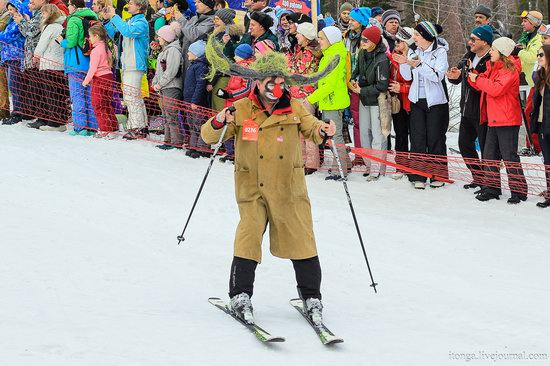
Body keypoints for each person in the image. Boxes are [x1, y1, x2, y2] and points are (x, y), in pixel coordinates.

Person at [201, 40, 339, 326]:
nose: (274, 87)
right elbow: (208, 137)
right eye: (269, 81)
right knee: (248, 237)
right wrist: (219, 120)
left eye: (279, 81)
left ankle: (311, 296)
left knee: (302, 239)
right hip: (252, 187)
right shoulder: (241, 107)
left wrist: (324, 131)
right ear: (259, 81)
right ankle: (240, 295)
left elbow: (313, 129)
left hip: (289, 188)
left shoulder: (295, 108)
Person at [468, 37, 528, 204]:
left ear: (502, 52)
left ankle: (519, 191)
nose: (491, 52)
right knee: (489, 155)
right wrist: (470, 76)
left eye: (493, 49)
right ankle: (492, 188)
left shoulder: (510, 70)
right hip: (493, 118)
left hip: (507, 119)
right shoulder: (493, 66)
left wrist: (477, 79)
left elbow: (495, 89)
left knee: (509, 156)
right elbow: (482, 84)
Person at [396, 21, 449, 190]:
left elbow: (436, 76)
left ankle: (437, 175)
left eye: (417, 35)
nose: (414, 38)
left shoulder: (440, 52)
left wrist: (417, 64)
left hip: (436, 102)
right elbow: (407, 77)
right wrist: (404, 62)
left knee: (435, 138)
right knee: (417, 137)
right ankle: (418, 174)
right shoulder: (414, 50)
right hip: (417, 100)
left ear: (426, 36)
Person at [446, 25, 493, 190]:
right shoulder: (470, 55)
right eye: (470, 38)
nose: (470, 42)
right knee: (464, 145)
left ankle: (490, 183)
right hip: (466, 110)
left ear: (485, 42)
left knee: (487, 151)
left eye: (474, 39)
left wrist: (467, 74)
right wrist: (454, 75)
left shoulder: (490, 60)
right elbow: (459, 76)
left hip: (482, 111)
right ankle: (478, 176)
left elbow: (480, 85)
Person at [305, 26, 351, 180]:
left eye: (322, 38)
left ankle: (340, 170)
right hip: (328, 101)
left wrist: (312, 99)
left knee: (335, 135)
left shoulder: (335, 56)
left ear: (331, 40)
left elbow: (330, 84)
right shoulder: (329, 54)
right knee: (334, 135)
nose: (319, 40)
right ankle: (343, 165)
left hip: (333, 101)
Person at [104, 0, 150, 140]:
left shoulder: (141, 22)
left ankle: (136, 127)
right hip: (127, 64)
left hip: (135, 64)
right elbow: (117, 35)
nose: (128, 5)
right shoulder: (129, 21)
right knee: (134, 97)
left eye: (131, 3)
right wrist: (107, 21)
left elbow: (128, 32)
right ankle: (141, 126)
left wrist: (114, 16)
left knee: (131, 98)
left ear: (139, 6)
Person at [350, 26, 390, 181]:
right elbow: (357, 70)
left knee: (378, 135)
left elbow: (382, 86)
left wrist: (362, 91)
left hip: (378, 101)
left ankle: (377, 169)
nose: (363, 42)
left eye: (366, 40)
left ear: (374, 41)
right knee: (364, 134)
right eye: (362, 39)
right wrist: (353, 79)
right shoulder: (362, 53)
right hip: (364, 99)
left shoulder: (382, 59)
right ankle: (369, 164)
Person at [57, 0, 99, 136]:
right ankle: (92, 126)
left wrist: (60, 41)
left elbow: (71, 41)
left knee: (77, 95)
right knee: (89, 95)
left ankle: (80, 127)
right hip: (90, 61)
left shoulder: (74, 19)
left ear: (74, 6)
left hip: (75, 62)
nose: (68, 6)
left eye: (69, 4)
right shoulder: (92, 17)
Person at [288, 22, 321, 174]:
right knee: (298, 129)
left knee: (307, 129)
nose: (296, 37)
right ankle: (301, 159)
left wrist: (288, 59)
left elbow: (297, 71)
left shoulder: (309, 53)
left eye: (299, 34)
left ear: (306, 38)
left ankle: (312, 163)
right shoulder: (301, 50)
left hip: (305, 96)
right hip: (296, 95)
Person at [214, 43, 255, 163]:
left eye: (237, 55)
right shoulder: (237, 68)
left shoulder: (246, 69)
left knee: (239, 128)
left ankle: (239, 153)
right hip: (230, 103)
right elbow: (232, 85)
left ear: (242, 56)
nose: (234, 56)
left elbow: (246, 89)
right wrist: (224, 92)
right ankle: (230, 152)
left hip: (239, 104)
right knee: (229, 127)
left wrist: (231, 95)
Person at [33, 3, 69, 132]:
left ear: (51, 14)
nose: (42, 15)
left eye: (44, 13)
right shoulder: (60, 26)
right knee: (59, 94)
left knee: (51, 94)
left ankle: (54, 123)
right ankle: (61, 121)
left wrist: (36, 56)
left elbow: (42, 43)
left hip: (49, 64)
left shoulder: (50, 27)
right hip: (59, 65)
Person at [82, 24, 118, 138]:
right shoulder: (106, 47)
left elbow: (93, 68)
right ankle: (113, 128)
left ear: (97, 36)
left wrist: (86, 81)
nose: (90, 39)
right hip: (108, 76)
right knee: (107, 103)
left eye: (91, 36)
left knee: (98, 104)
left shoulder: (96, 50)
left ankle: (104, 129)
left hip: (100, 79)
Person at [13, 0, 45, 125]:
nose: (29, 3)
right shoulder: (35, 15)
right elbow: (26, 32)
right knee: (35, 89)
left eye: (32, 1)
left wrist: (21, 21)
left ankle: (42, 117)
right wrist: (24, 21)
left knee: (39, 89)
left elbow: (30, 32)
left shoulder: (41, 14)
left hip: (37, 58)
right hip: (31, 59)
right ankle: (38, 115)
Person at [345, 7, 370, 164]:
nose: (350, 21)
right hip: (352, 83)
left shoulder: (368, 38)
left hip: (366, 84)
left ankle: (371, 155)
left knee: (369, 122)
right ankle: (359, 154)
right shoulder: (347, 37)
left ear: (361, 22)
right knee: (357, 121)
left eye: (353, 20)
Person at [388, 26, 413, 180]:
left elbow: (418, 82)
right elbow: (389, 76)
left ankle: (417, 165)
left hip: (412, 101)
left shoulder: (414, 57)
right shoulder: (392, 57)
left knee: (416, 136)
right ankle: (401, 165)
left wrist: (402, 88)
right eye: (395, 40)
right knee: (400, 133)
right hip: (397, 102)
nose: (396, 43)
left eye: (400, 40)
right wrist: (391, 85)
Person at [152, 24, 183, 149]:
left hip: (172, 87)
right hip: (164, 87)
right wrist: (155, 82)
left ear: (165, 37)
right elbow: (158, 71)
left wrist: (160, 84)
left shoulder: (173, 51)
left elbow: (171, 71)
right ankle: (168, 140)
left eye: (159, 36)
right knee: (165, 114)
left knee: (171, 114)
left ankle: (176, 141)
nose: (158, 39)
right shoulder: (164, 51)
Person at [529, 44, 550, 207]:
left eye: (541, 54)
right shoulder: (539, 75)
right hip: (543, 124)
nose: (538, 57)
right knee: (547, 161)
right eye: (537, 54)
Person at [0, 0, 26, 125]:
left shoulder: (18, 22)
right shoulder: (11, 22)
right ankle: (15, 112)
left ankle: (18, 113)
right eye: (9, 9)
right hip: (8, 57)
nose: (10, 12)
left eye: (12, 9)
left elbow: (8, 36)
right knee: (12, 86)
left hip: (15, 57)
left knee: (14, 86)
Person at [184, 40, 209, 158]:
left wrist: (195, 101)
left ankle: (202, 148)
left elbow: (200, 84)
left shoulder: (201, 66)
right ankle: (194, 146)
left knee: (200, 124)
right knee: (192, 124)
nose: (188, 53)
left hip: (197, 102)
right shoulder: (193, 65)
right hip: (189, 100)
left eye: (190, 51)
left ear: (197, 53)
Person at [176, 0, 214, 75]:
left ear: (207, 5)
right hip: (186, 58)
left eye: (199, 2)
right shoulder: (194, 18)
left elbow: (193, 35)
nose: (196, 4)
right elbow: (183, 35)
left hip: (197, 64)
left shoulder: (211, 21)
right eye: (195, 2)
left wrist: (181, 19)